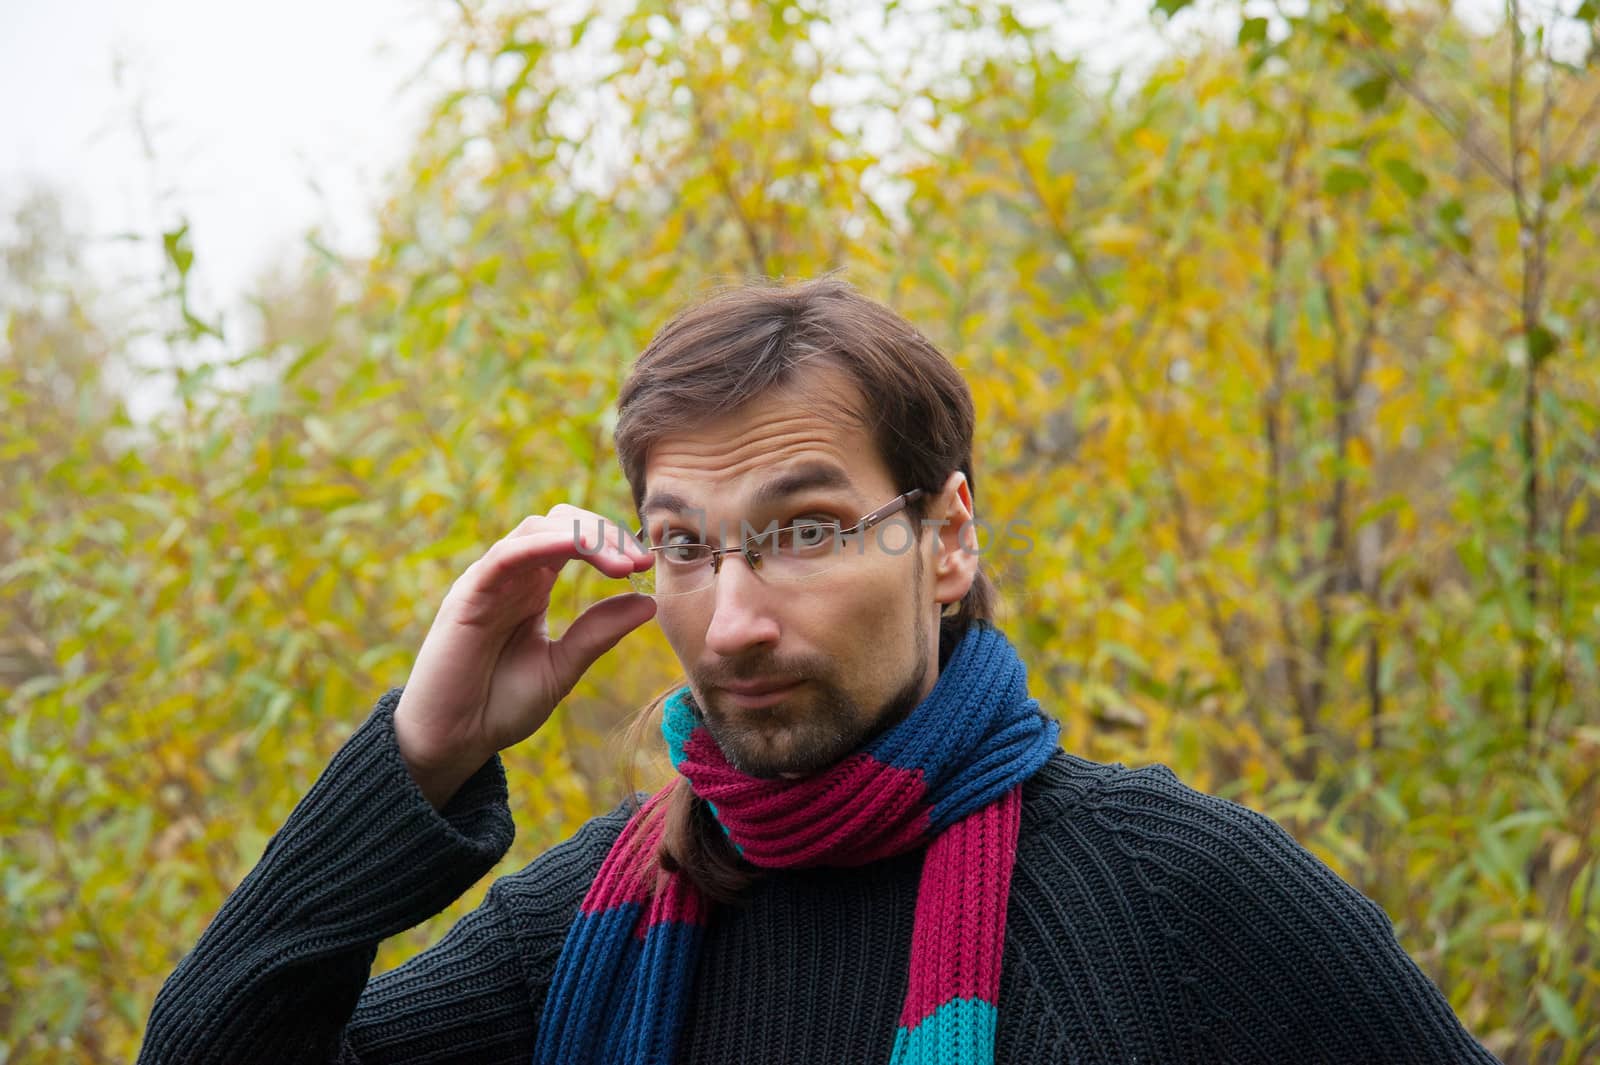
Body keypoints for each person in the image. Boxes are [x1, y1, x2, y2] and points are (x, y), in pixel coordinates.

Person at [138, 277, 1500, 1064]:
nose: (732, 618)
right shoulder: (589, 923)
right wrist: (419, 759)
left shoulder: (1176, 896)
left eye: (799, 531)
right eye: (683, 546)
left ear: (945, 537)